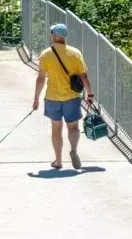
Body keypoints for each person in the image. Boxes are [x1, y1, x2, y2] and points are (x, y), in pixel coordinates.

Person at [32, 23, 94, 170]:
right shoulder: (75, 53)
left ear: (54, 35)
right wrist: (90, 94)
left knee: (56, 129)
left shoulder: (46, 54)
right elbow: (84, 77)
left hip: (52, 97)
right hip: (71, 97)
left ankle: (58, 161)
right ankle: (73, 150)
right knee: (73, 127)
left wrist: (36, 99)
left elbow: (41, 79)